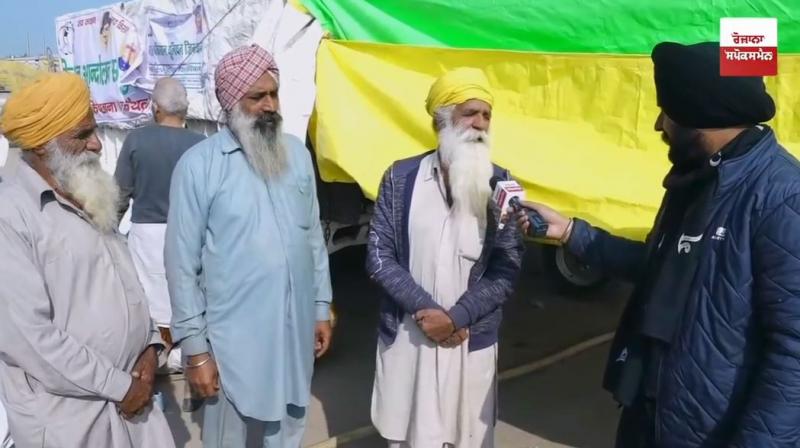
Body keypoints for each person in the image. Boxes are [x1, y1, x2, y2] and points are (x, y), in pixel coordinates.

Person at [519, 42, 800, 447]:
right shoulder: (696, 177)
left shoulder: (781, 198)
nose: (658, 124)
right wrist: (570, 233)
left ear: (701, 112)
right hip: (652, 414)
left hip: (710, 434)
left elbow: (793, 354)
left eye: (667, 111)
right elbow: (663, 266)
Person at [165, 44, 333, 447]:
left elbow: (312, 236)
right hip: (231, 342)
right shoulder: (199, 165)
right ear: (231, 103)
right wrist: (196, 351)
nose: (270, 105)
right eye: (257, 97)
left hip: (294, 331)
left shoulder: (295, 154)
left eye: (273, 94)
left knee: (291, 427)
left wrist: (321, 307)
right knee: (228, 437)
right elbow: (181, 263)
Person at [0, 72, 174, 447]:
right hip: (71, 422)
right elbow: (31, 339)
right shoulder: (10, 216)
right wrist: (120, 385)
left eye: (93, 131)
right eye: (82, 135)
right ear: (44, 145)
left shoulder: (88, 191)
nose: (96, 144)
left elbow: (127, 285)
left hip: (136, 403)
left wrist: (148, 347)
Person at [366, 67, 525, 448]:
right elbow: (379, 255)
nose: (480, 123)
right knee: (408, 435)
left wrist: (455, 318)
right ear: (442, 119)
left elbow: (507, 268)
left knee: (467, 435)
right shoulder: (400, 177)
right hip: (412, 334)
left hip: (468, 340)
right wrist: (429, 313)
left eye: (487, 115)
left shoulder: (501, 184)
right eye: (471, 112)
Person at [115, 77, 204, 374]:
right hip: (190, 234)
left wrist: (110, 233)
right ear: (185, 109)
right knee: (187, 293)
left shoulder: (136, 140)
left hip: (148, 235)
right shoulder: (201, 145)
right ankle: (190, 353)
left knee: (153, 301)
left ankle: (162, 356)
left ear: (155, 108)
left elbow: (119, 195)